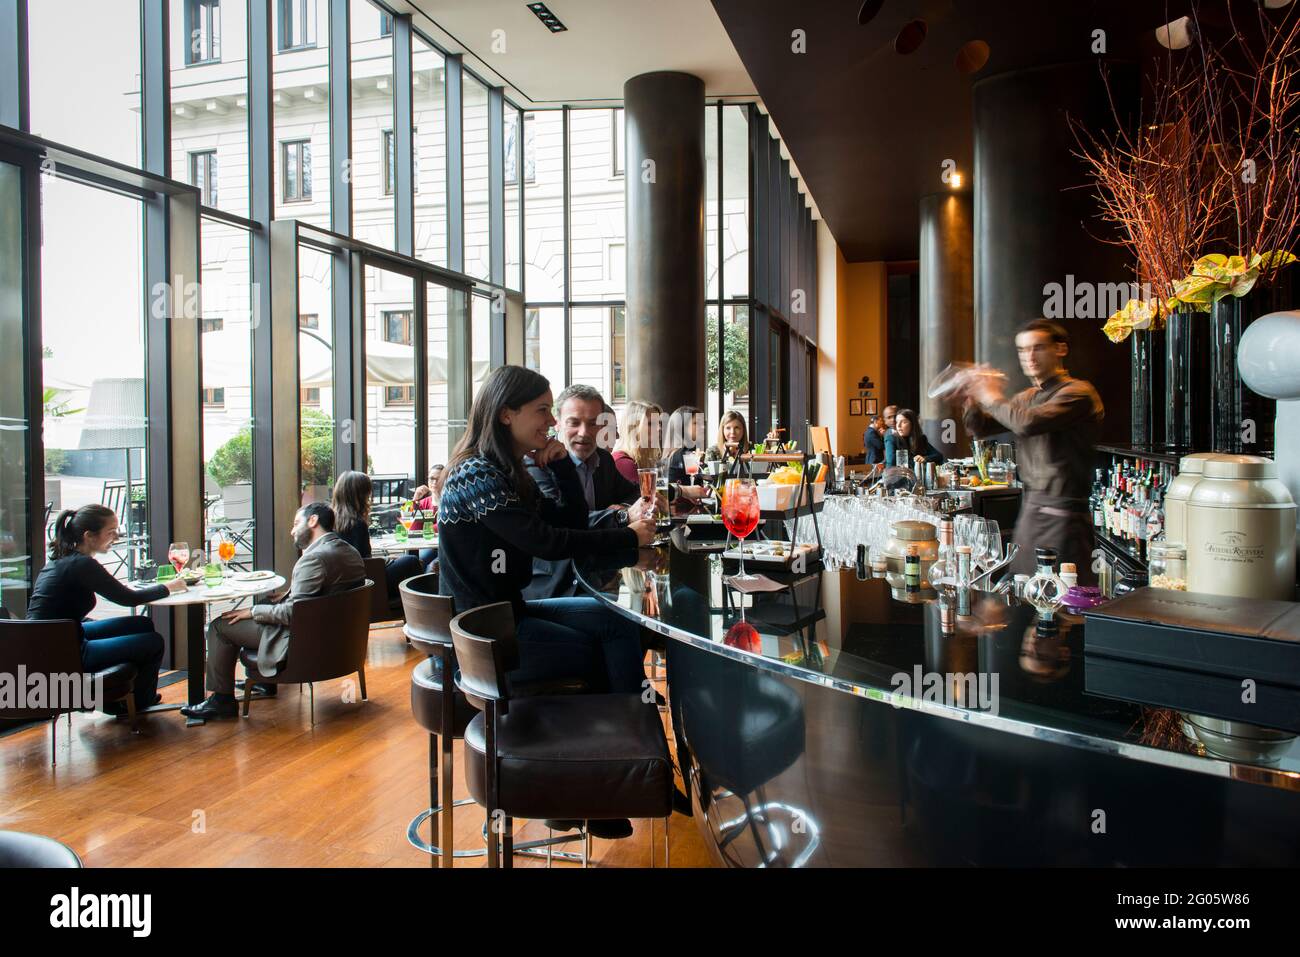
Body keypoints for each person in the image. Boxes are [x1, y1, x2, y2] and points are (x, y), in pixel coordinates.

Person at [434, 364, 657, 697]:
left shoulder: (508, 471)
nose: (551, 422)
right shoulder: (476, 473)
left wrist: (563, 467)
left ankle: (631, 731)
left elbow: (571, 522)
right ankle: (617, 734)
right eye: (543, 411)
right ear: (506, 414)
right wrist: (630, 536)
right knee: (599, 646)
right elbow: (546, 542)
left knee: (618, 620)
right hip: (482, 634)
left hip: (510, 613)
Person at [180, 502, 366, 719]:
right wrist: (286, 595)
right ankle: (264, 684)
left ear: (313, 521)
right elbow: (325, 595)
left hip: (302, 642)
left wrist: (253, 611)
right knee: (267, 604)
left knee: (220, 626)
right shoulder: (349, 551)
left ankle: (221, 701)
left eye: (297, 523)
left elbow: (292, 614)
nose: (292, 530)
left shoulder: (313, 558)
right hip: (336, 638)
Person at [960, 318, 1104, 583]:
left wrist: (991, 395)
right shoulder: (1027, 396)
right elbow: (979, 428)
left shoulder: (1078, 392)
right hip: (1031, 510)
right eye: (1023, 350)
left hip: (1064, 514)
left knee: (1060, 599)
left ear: (1060, 349)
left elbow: (1025, 423)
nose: (1029, 357)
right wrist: (972, 397)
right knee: (1024, 591)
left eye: (1037, 348)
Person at [26, 504, 187, 715]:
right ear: (89, 536)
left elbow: (119, 592)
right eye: (111, 532)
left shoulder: (65, 560)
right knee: (153, 642)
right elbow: (128, 598)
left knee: (142, 623)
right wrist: (169, 587)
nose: (117, 537)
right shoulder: (82, 565)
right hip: (64, 653)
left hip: (55, 640)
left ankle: (120, 698)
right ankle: (139, 702)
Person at [525, 385, 660, 599]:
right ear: (557, 423)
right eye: (574, 422)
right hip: (556, 586)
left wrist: (626, 507)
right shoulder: (537, 465)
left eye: (593, 423)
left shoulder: (603, 460)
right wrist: (621, 516)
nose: (584, 432)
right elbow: (561, 525)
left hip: (600, 575)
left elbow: (634, 493)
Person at [331, 471, 425, 599]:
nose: (370, 497)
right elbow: (367, 562)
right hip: (369, 583)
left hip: (346, 583)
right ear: (361, 495)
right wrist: (386, 561)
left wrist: (388, 560)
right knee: (412, 561)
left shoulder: (332, 520)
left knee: (403, 560)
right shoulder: (357, 524)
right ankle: (419, 605)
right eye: (368, 493)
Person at [612, 399, 662, 485]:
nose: (659, 428)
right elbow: (649, 497)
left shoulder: (645, 460)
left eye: (659, 423)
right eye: (651, 423)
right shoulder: (623, 463)